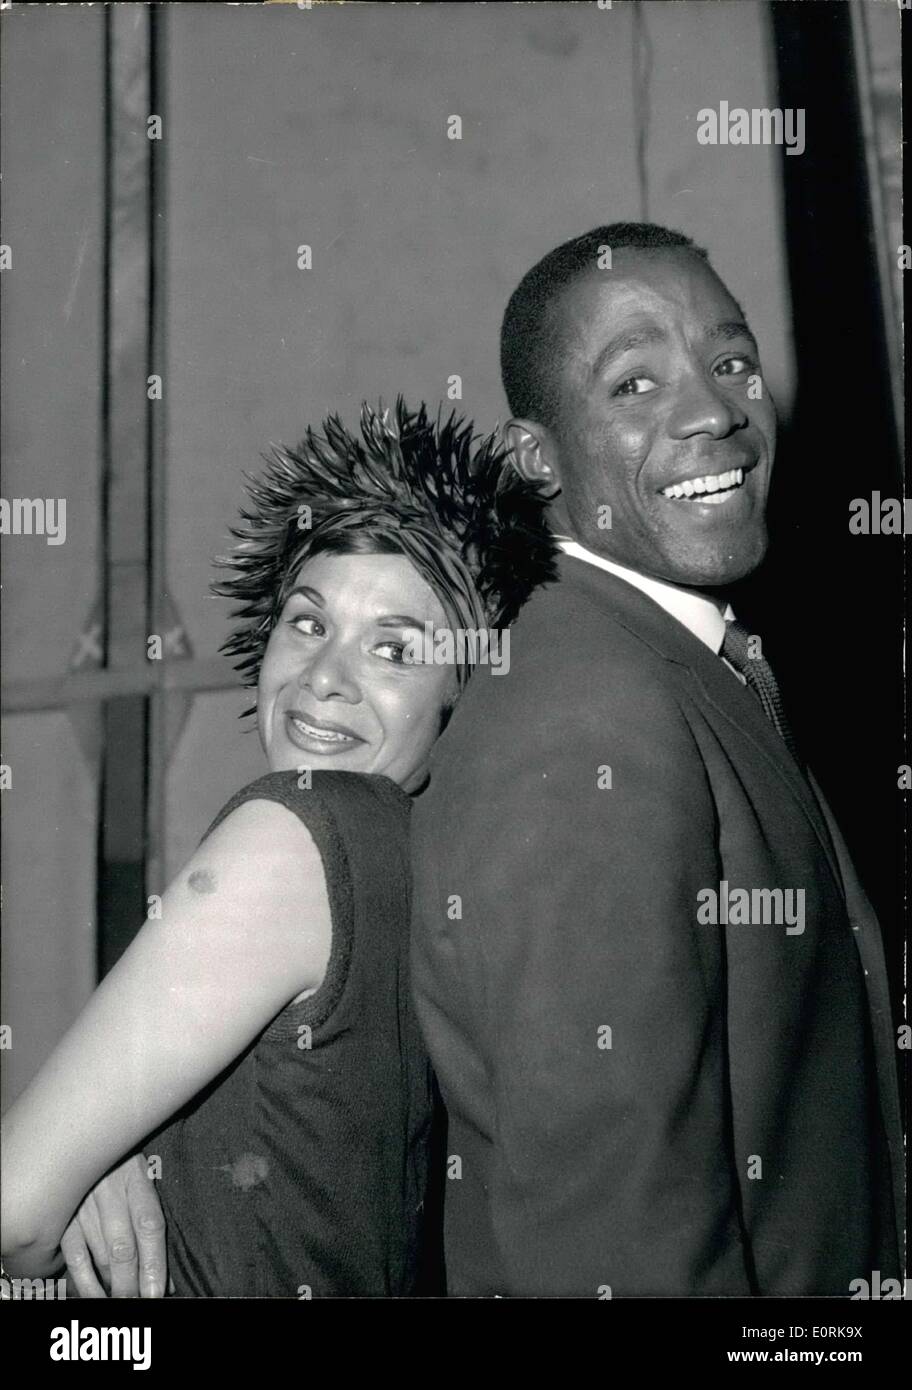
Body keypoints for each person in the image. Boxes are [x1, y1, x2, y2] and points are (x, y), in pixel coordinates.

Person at [408, 223, 904, 1296]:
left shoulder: (674, 658)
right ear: (538, 458)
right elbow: (616, 1248)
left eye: (731, 362)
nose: (715, 411)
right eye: (635, 383)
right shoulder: (587, 713)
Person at [0, 398, 557, 1297]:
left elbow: (13, 1211)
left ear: (463, 693)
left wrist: (57, 1197)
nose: (325, 678)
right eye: (309, 621)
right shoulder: (431, 874)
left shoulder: (299, 832)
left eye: (394, 649)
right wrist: (109, 1148)